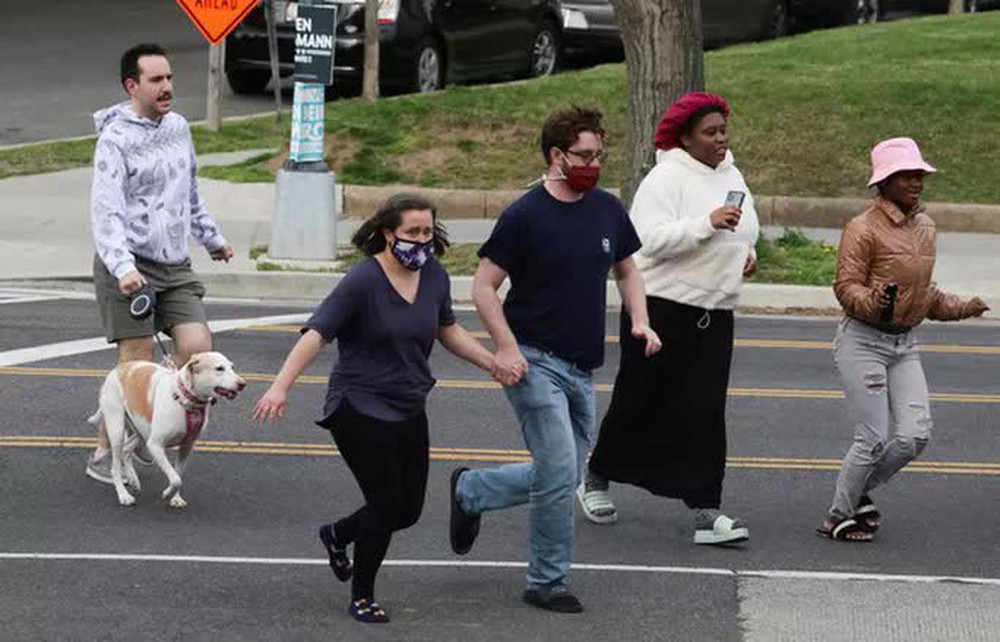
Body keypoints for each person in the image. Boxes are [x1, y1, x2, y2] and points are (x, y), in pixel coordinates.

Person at [447, 106, 661, 614]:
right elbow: (483, 287)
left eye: (599, 155)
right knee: (563, 474)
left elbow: (628, 270)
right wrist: (506, 348)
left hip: (581, 366)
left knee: (559, 474)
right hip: (533, 362)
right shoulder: (525, 215)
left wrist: (640, 319)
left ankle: (472, 491)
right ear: (556, 156)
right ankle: (546, 582)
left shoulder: (607, 209)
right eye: (584, 155)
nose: (594, 164)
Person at [253, 194, 498, 623]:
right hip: (358, 404)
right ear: (388, 234)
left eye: (427, 232)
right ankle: (362, 594)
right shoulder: (363, 281)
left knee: (408, 510)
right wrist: (279, 387)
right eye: (411, 233)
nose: (421, 241)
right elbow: (316, 334)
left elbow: (449, 331)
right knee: (385, 504)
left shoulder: (434, 276)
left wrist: (492, 362)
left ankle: (338, 533)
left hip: (409, 401)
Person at [578, 92, 759, 546]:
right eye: (710, 132)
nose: (721, 139)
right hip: (661, 307)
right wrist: (707, 223)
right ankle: (596, 476)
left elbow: (745, 227)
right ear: (685, 138)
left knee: (705, 410)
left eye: (723, 130)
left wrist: (747, 253)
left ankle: (705, 509)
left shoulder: (732, 172)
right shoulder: (666, 178)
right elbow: (647, 240)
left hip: (715, 310)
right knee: (641, 401)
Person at [817, 137, 989, 542]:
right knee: (872, 439)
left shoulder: (926, 227)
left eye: (919, 174)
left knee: (915, 435)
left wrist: (964, 307)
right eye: (906, 175)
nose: (916, 181)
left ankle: (858, 493)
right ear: (885, 182)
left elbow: (925, 297)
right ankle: (838, 515)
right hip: (863, 341)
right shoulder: (862, 228)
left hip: (904, 344)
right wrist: (873, 302)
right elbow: (845, 287)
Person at [86, 43, 234, 484]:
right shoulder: (115, 140)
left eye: (169, 77)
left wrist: (212, 238)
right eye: (156, 80)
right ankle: (103, 453)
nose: (166, 86)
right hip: (130, 265)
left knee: (196, 344)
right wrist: (122, 266)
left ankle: (153, 425)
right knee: (136, 359)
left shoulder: (178, 128)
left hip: (175, 264)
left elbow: (189, 192)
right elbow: (106, 210)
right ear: (133, 86)